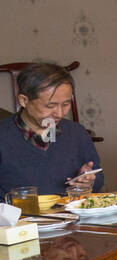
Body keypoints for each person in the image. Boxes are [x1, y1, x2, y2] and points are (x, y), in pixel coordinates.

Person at [0, 62, 102, 197]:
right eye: (50, 106)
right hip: (19, 216)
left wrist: (88, 182)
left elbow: (98, 179)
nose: (60, 113)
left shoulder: (76, 133)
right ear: (24, 100)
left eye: (66, 104)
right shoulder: (4, 136)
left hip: (74, 215)